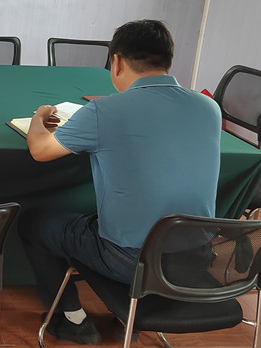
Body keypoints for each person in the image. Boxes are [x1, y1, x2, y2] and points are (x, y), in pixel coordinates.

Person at [19, 20, 221, 344]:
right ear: (168, 59)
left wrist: (38, 118)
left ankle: (72, 319)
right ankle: (125, 313)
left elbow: (40, 150)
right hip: (194, 258)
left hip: (129, 261)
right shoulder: (209, 108)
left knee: (33, 222)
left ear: (117, 62)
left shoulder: (104, 110)